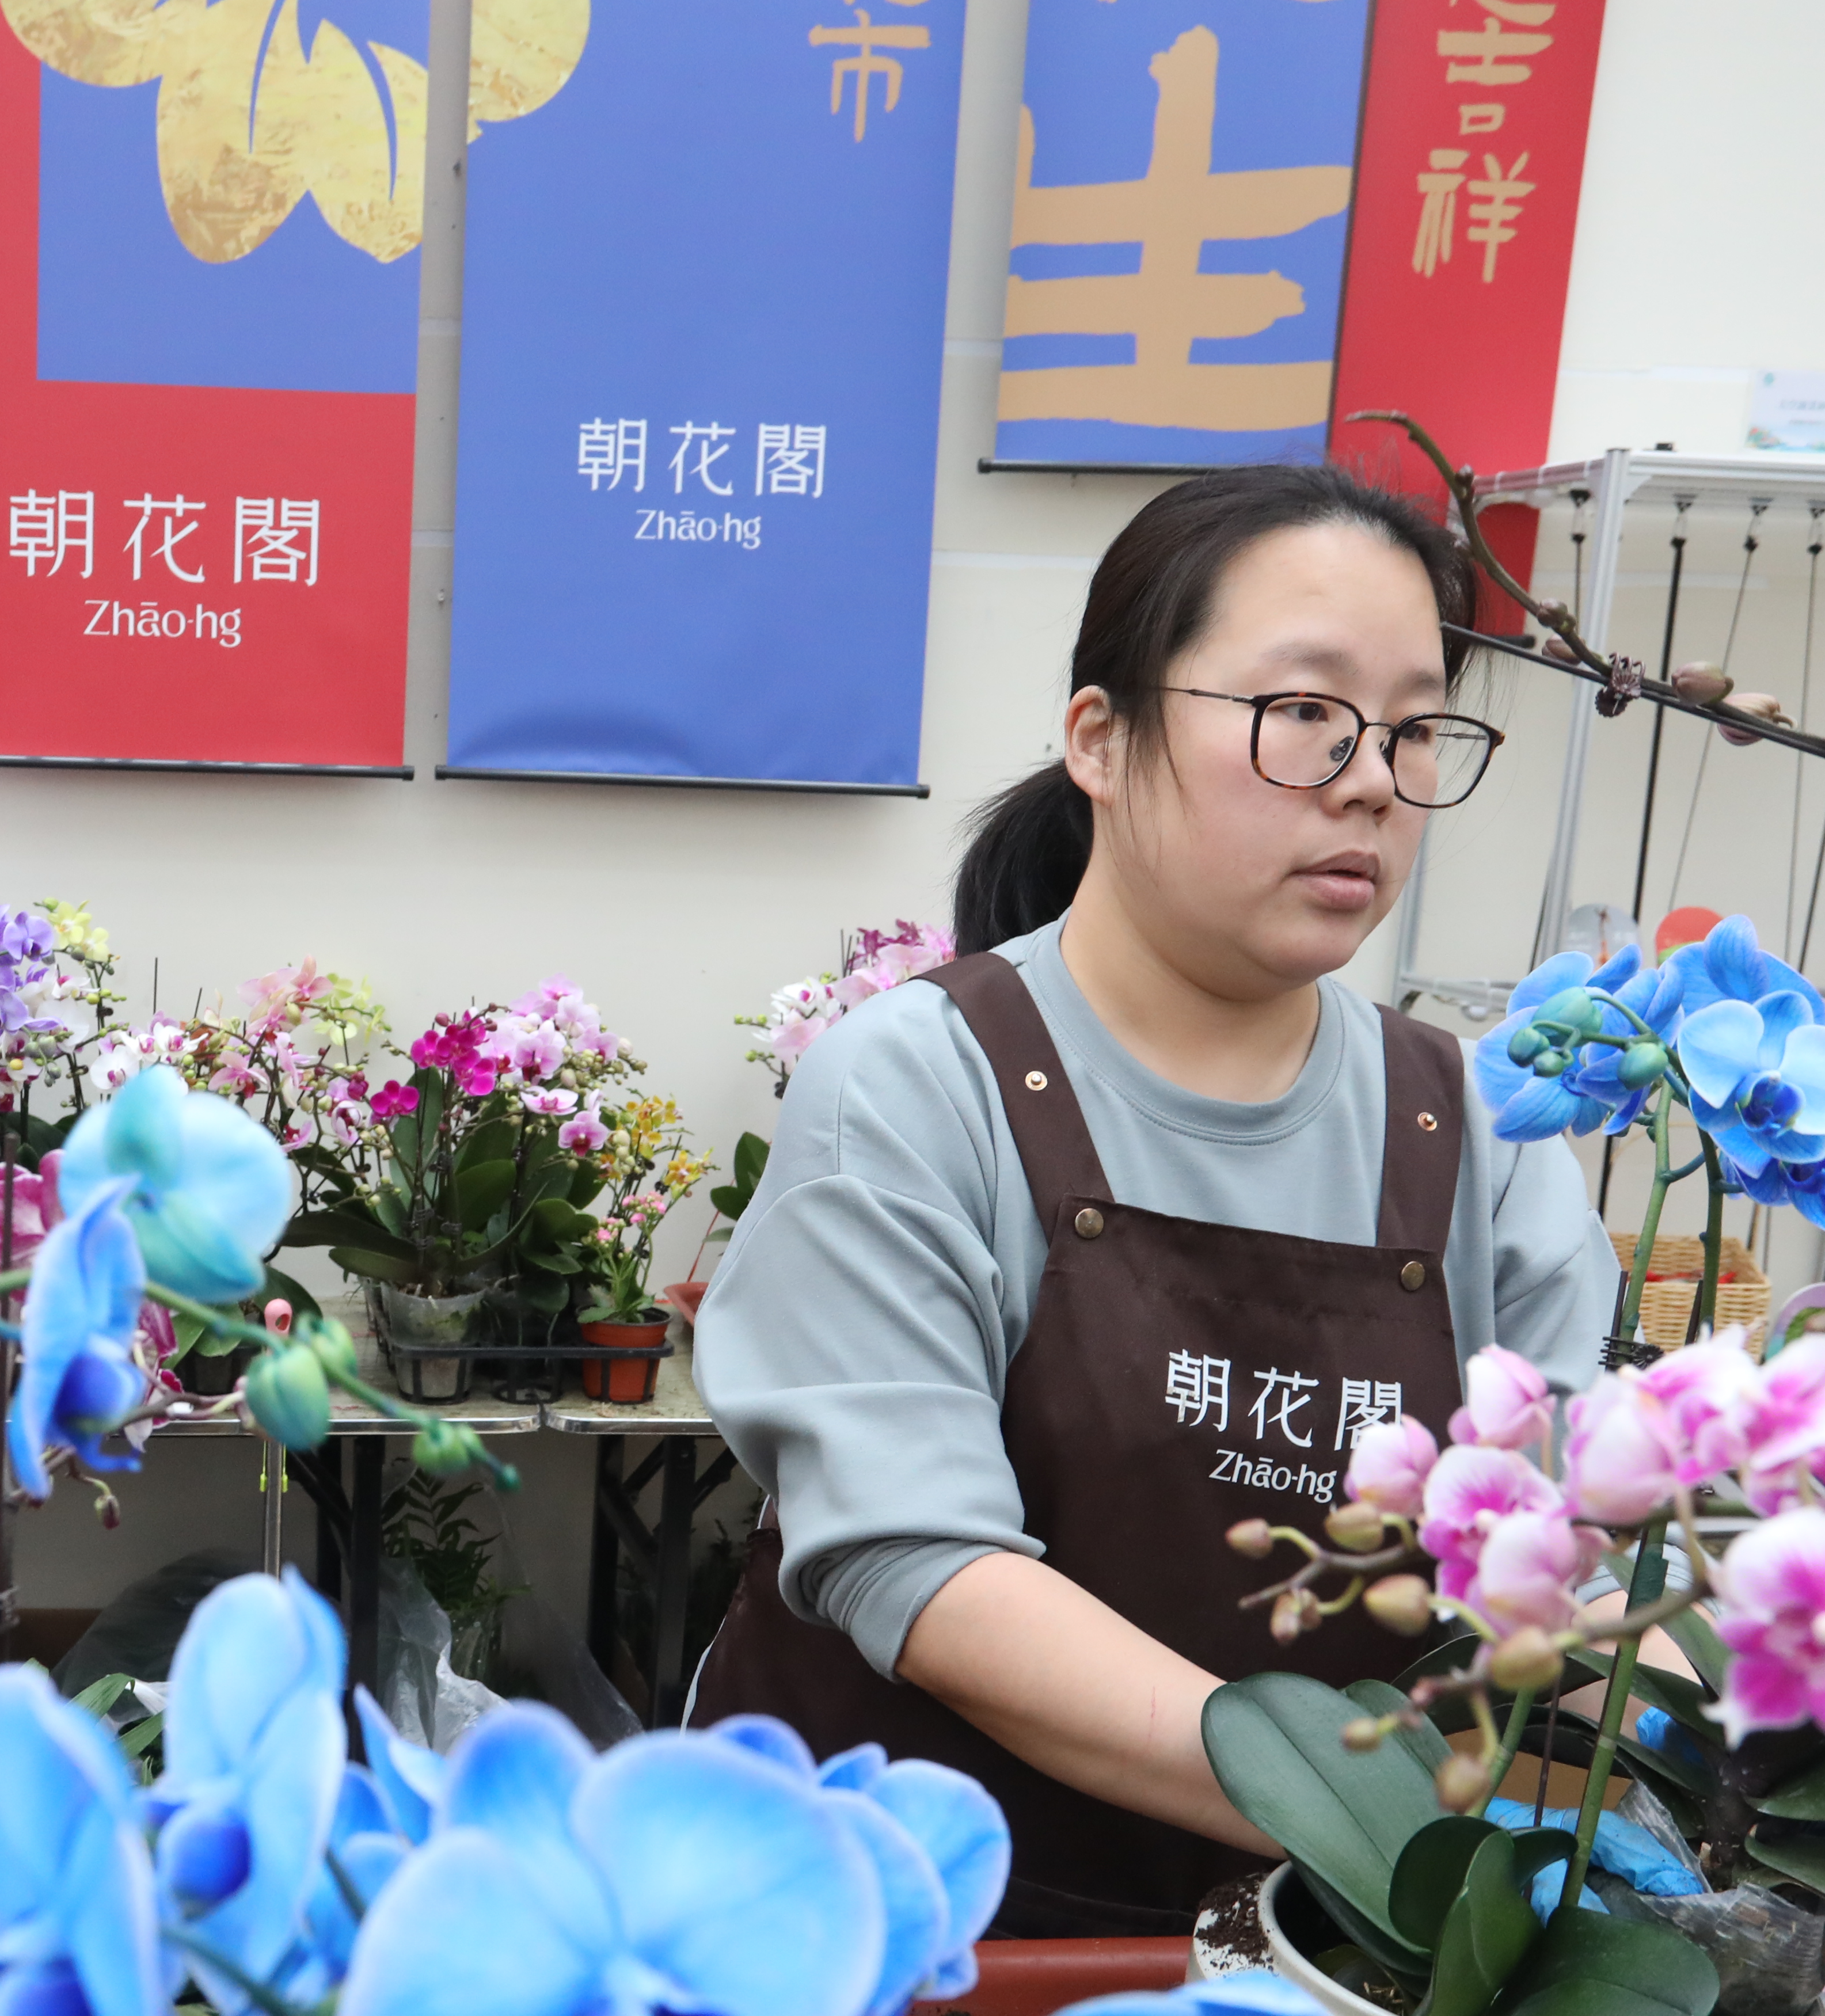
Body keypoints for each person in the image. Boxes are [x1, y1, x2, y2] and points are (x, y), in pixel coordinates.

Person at [690, 464, 1619, 1938]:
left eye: (1415, 725)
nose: (1372, 778)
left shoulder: (1481, 1132)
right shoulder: (922, 1084)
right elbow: (924, 1566)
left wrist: (1708, 1728)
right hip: (897, 1965)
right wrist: (1370, 1819)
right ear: (1103, 741)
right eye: (1305, 713)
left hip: (1325, 1970)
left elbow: (1577, 1539)